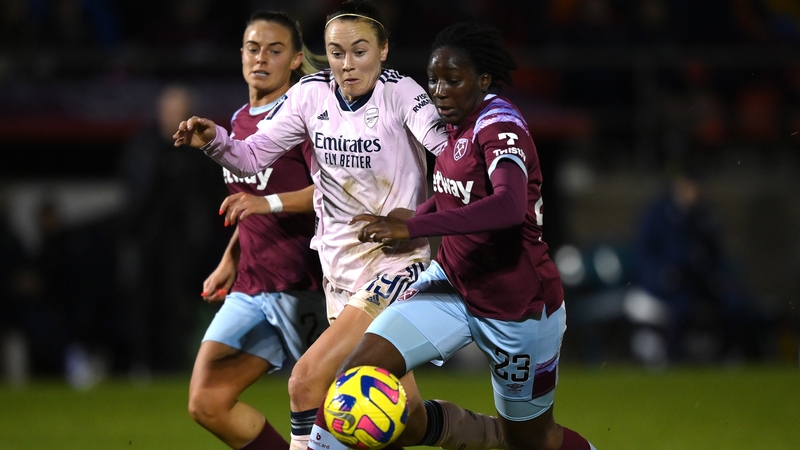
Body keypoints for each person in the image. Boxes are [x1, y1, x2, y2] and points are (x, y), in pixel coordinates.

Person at [174, 2, 505, 450]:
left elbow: (451, 158)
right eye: (336, 52)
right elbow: (251, 156)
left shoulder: (403, 94)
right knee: (401, 418)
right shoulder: (311, 95)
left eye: (359, 51)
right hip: (339, 271)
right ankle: (497, 437)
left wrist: (427, 214)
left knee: (306, 383)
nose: (347, 65)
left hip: (395, 268)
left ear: (383, 50)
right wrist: (214, 140)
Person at [339, 22, 597, 450]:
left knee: (531, 440)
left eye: (452, 80)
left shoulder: (500, 127)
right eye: (433, 79)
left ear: (482, 80)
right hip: (451, 285)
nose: (438, 90)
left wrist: (415, 226)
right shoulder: (455, 124)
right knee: (358, 374)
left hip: (518, 308)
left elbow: (509, 207)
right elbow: (454, 197)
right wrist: (414, 220)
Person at [185, 11, 330, 450]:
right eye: (253, 47)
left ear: (295, 59)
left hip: (305, 284)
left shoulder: (307, 117)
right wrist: (230, 259)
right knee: (207, 401)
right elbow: (248, 200)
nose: (261, 57)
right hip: (253, 284)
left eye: (274, 49)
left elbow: (331, 191)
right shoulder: (239, 120)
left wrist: (264, 204)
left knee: (342, 413)